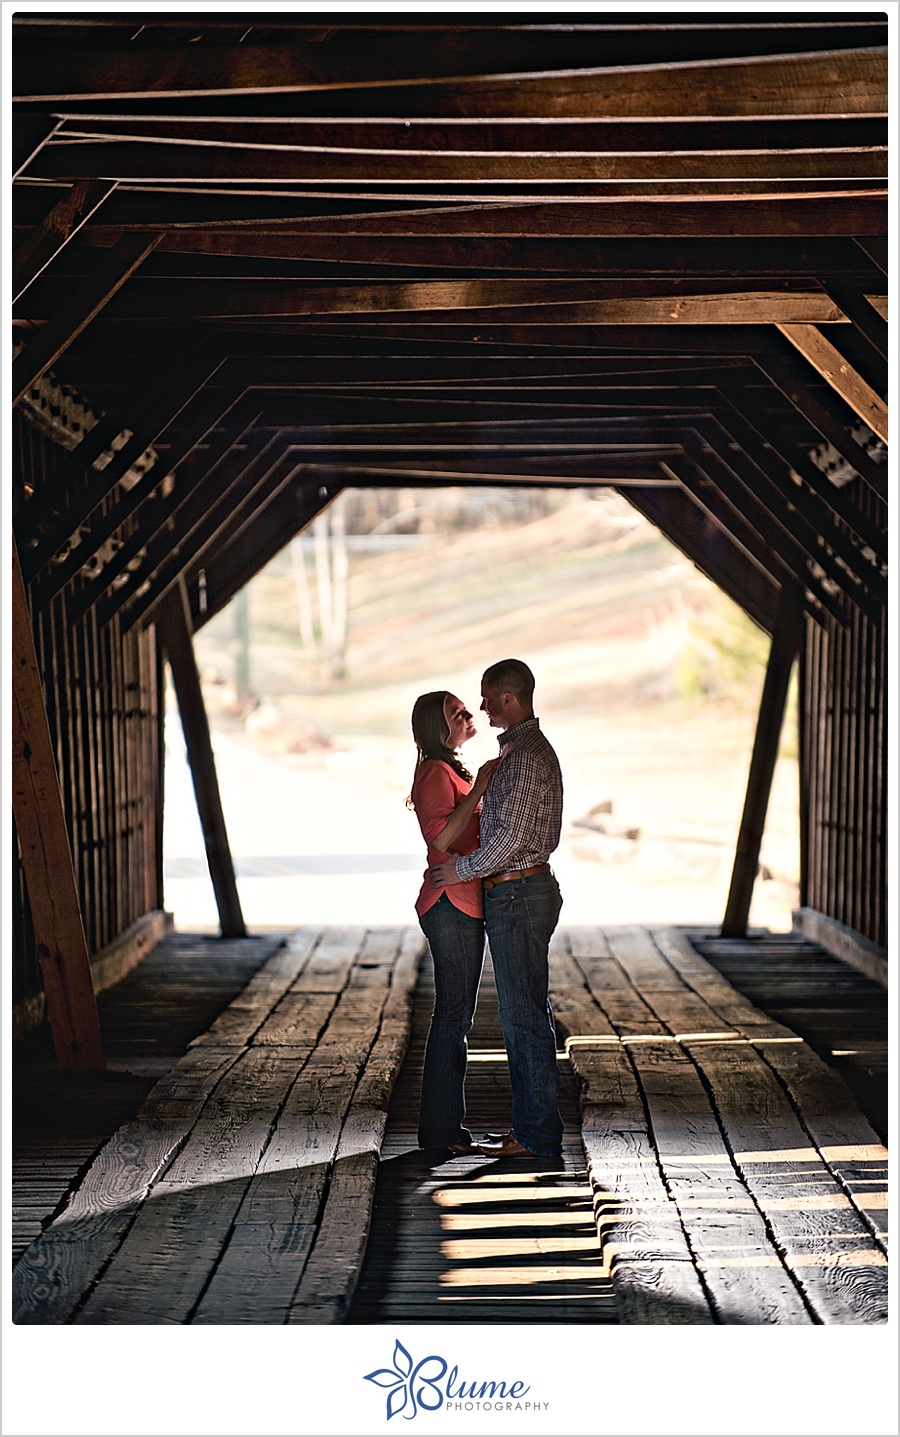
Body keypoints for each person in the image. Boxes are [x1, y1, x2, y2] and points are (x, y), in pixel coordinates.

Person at [430, 659, 564, 1160]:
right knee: (524, 1013)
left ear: (509, 699)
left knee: (523, 1016)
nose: (482, 706)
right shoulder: (517, 752)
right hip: (519, 891)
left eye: (487, 697)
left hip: (519, 892)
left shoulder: (525, 756)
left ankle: (533, 1137)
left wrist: (460, 870)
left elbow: (506, 840)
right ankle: (531, 1130)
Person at [409, 690, 498, 1154]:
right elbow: (442, 836)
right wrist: (481, 787)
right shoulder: (434, 773)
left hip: (464, 900)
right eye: (455, 714)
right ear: (435, 729)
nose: (467, 716)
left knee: (456, 1015)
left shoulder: (449, 769)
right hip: (450, 902)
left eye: (465, 709)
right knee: (452, 1016)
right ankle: (441, 1132)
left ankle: (444, 1128)